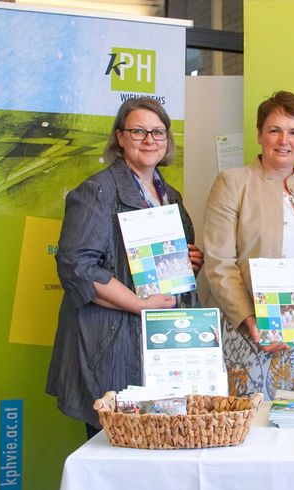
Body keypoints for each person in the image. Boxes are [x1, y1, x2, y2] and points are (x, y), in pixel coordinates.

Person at [46, 98, 203, 439]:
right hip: (111, 349)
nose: (150, 140)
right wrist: (140, 304)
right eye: (138, 131)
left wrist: (191, 263)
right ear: (119, 137)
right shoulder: (97, 191)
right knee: (114, 458)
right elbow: (77, 267)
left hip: (161, 351)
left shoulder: (171, 196)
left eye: (158, 132)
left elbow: (172, 273)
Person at [203, 91, 294, 399]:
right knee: (249, 428)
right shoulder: (232, 183)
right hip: (246, 330)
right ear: (259, 135)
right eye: (274, 130)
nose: (284, 140)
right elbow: (219, 262)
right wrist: (250, 321)